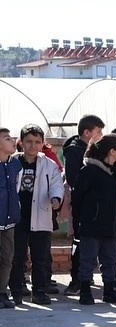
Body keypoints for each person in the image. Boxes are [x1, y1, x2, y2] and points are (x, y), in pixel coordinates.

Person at [12, 124, 64, 306]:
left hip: (41, 215)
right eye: (29, 142)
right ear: (21, 143)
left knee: (40, 257)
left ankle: (39, 291)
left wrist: (56, 198)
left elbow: (57, 184)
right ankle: (16, 291)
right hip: (17, 218)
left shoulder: (49, 165)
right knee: (16, 256)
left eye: (37, 142)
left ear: (43, 143)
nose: (33, 146)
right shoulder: (12, 162)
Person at [73, 134, 116, 305]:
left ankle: (109, 290)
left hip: (111, 226)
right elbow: (78, 197)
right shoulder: (90, 171)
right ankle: (85, 291)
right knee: (87, 258)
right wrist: (79, 222)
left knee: (110, 259)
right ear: (112, 151)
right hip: (92, 224)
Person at [61, 114, 106, 296]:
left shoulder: (98, 149)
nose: (102, 135)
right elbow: (73, 179)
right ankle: (76, 279)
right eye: (98, 132)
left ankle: (87, 275)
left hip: (97, 205)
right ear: (87, 133)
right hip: (82, 204)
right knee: (79, 242)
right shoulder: (74, 151)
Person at [0, 129, 20, 309]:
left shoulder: (16, 165)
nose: (12, 141)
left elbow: (17, 188)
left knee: (7, 258)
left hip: (9, 221)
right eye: (7, 139)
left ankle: (2, 292)